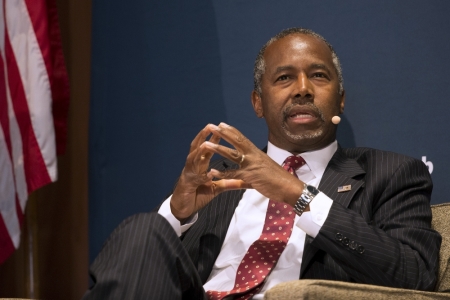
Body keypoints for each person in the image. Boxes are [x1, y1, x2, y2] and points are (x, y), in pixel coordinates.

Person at [83, 28, 441, 300]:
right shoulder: (219, 185)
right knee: (144, 228)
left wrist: (297, 193)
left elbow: (416, 275)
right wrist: (177, 215)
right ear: (258, 102)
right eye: (284, 77)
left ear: (340, 101)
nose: (302, 89)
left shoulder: (391, 173)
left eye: (318, 75)